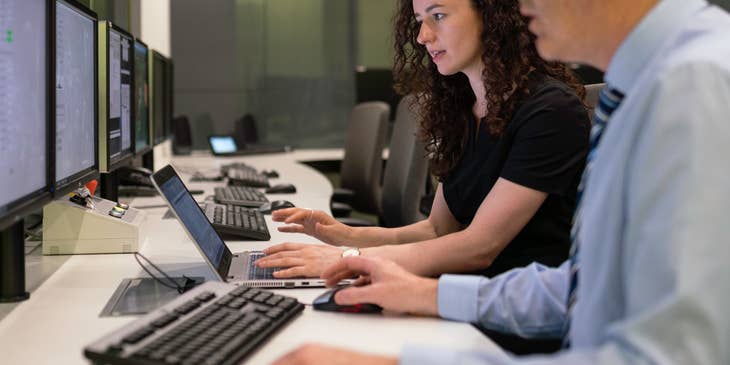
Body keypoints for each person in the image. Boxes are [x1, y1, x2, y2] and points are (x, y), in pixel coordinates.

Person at [272, 0, 730, 364]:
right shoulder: (641, 86)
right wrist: (427, 291)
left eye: (438, 16)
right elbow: (581, 287)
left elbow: (669, 356)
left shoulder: (693, 85)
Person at [257, 0, 589, 280]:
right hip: (456, 293)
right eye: (419, 21)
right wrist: (345, 235)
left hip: (511, 315)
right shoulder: (461, 110)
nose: (422, 36)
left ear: (492, 14)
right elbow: (437, 230)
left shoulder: (549, 111)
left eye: (438, 16)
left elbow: (479, 247)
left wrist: (348, 258)